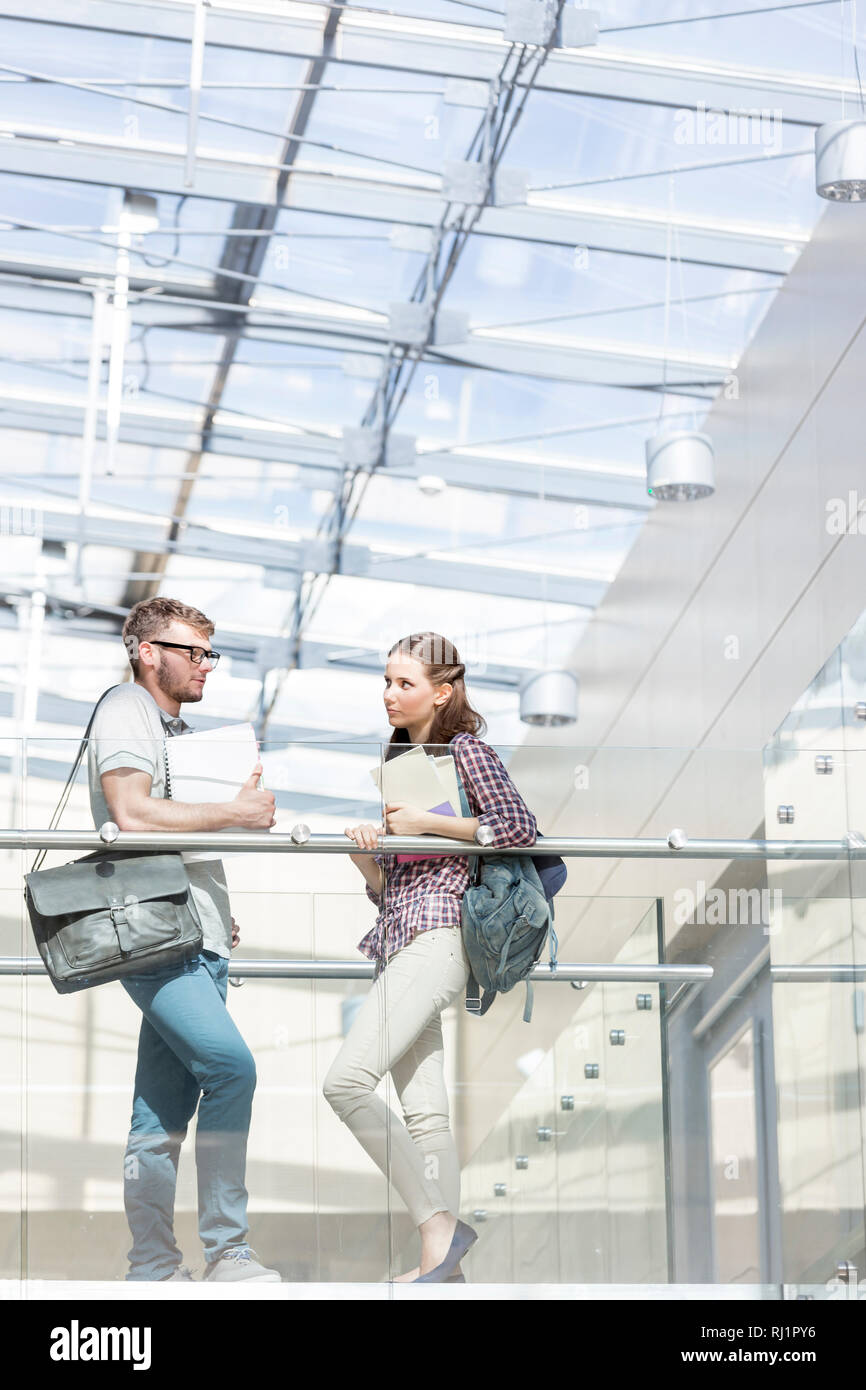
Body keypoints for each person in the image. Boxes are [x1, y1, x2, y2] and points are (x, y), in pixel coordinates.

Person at [323, 632, 537, 1282]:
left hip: (441, 937)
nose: (390, 695)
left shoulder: (465, 749)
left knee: (346, 1082)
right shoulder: (400, 762)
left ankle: (438, 1226)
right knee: (424, 1112)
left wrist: (424, 822)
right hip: (399, 941)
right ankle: (442, 1266)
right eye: (386, 682)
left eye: (405, 683)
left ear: (442, 691)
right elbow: (393, 888)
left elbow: (518, 826)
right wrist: (368, 848)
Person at [87, 596, 280, 1283]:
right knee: (232, 1069)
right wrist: (235, 810)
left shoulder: (174, 728)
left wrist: (211, 908)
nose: (205, 665)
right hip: (153, 934)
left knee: (159, 1112)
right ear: (147, 652)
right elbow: (131, 813)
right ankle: (228, 1250)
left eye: (209, 653)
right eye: (191, 651)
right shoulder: (126, 708)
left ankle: (153, 1267)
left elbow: (168, 826)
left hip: (192, 933)